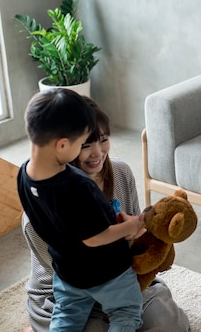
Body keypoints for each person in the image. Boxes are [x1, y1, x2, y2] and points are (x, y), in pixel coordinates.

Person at [22, 96, 190, 332]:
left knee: (165, 323)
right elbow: (66, 265)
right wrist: (127, 231)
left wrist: (148, 240)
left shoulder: (120, 172)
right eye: (85, 145)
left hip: (115, 274)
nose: (97, 153)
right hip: (66, 285)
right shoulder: (46, 205)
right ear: (64, 144)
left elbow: (131, 248)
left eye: (103, 140)